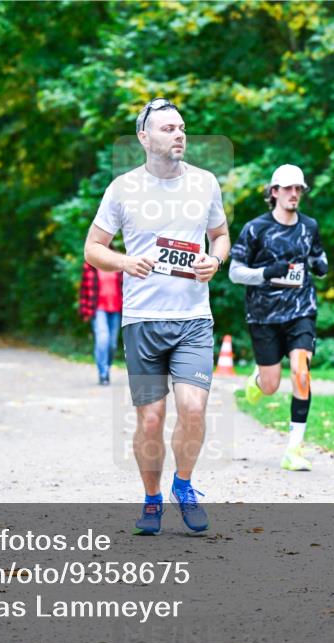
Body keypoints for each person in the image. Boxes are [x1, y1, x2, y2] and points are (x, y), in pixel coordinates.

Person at [83, 97, 230, 535]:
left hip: (193, 320)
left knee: (193, 407)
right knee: (151, 418)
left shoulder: (205, 183)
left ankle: (182, 486)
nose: (179, 134)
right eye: (168, 129)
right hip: (142, 321)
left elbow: (220, 236)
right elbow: (92, 249)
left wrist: (215, 261)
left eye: (182, 127)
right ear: (144, 138)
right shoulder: (123, 188)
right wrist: (125, 263)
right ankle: (151, 500)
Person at [228, 164, 328, 471]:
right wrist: (265, 274)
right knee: (271, 385)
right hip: (264, 315)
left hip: (301, 310)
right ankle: (258, 380)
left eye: (298, 189)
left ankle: (294, 450)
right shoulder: (255, 229)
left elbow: (318, 257)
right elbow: (234, 272)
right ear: (274, 192)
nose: (294, 194)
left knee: (301, 372)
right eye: (287, 189)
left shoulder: (309, 226)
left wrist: (320, 265)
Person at [79, 262, 124, 385]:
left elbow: (125, 286)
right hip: (98, 309)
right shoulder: (90, 265)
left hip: (116, 308)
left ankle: (107, 368)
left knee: (112, 345)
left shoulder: (118, 262)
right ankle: (103, 373)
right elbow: (84, 289)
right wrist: (85, 311)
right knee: (102, 339)